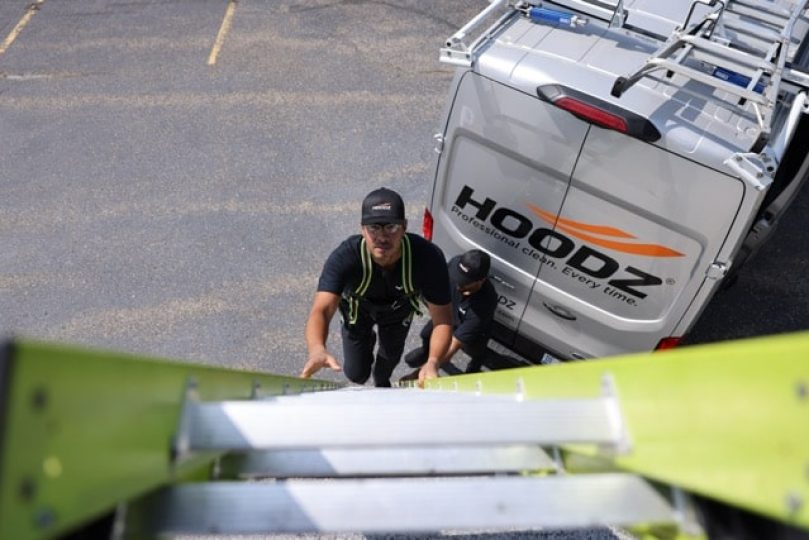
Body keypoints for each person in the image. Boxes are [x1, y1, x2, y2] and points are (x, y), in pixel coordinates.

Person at [302, 187, 453, 387]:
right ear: (362, 229)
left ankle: (382, 378)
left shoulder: (427, 258)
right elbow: (321, 309)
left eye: (391, 227)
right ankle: (366, 340)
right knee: (356, 374)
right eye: (374, 228)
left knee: (387, 364)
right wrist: (316, 349)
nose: (382, 237)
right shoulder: (345, 257)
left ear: (404, 227)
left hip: (398, 314)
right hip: (358, 313)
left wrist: (433, 361)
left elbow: (443, 318)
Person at [403, 249, 498, 375]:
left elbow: (453, 345)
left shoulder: (485, 303)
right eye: (458, 277)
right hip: (448, 312)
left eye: (465, 282)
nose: (458, 284)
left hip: (472, 327)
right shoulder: (455, 263)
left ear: (481, 280)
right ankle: (426, 351)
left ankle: (473, 370)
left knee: (476, 351)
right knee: (426, 334)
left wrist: (426, 370)